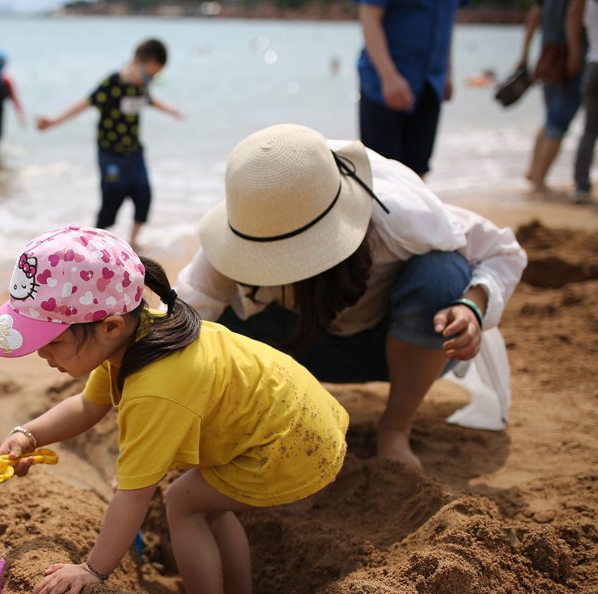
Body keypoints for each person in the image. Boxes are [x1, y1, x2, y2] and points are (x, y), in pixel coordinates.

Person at [0, 226, 349, 594]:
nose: (41, 354)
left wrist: (92, 569)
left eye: (52, 341)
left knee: (184, 502)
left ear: (110, 326)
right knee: (207, 505)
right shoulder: (137, 336)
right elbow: (86, 407)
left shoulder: (154, 385)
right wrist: (28, 434)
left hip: (291, 444)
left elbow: (133, 495)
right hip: (295, 418)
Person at [174, 124, 528, 472]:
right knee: (201, 328)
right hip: (292, 350)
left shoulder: (402, 214)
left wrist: (472, 306)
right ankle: (265, 423)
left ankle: (395, 429)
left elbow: (502, 251)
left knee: (443, 271)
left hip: (394, 347)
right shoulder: (250, 224)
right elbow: (180, 320)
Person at [36, 39, 182, 250]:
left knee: (144, 193)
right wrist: (54, 121)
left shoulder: (142, 87)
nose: (149, 79)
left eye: (154, 76)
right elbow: (85, 103)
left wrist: (170, 109)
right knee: (113, 195)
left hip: (134, 152)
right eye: (148, 74)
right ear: (136, 62)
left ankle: (133, 241)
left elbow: (150, 100)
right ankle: (94, 243)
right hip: (110, 153)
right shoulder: (113, 82)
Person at [356, 0, 466, 177]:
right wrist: (389, 77)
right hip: (383, 84)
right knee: (381, 173)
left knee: (418, 171)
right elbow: (369, 18)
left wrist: (447, 71)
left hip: (431, 82)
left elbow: (447, 19)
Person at [519, 0, 587, 195]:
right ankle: (540, 182)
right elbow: (573, 15)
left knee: (550, 118)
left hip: (547, 54)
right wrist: (575, 54)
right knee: (558, 122)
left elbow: (532, 18)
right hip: (567, 58)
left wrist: (524, 56)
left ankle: (533, 173)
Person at [572, 0, 598, 203]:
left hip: (592, 65)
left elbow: (573, 18)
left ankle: (581, 186)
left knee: (589, 131)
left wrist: (574, 55)